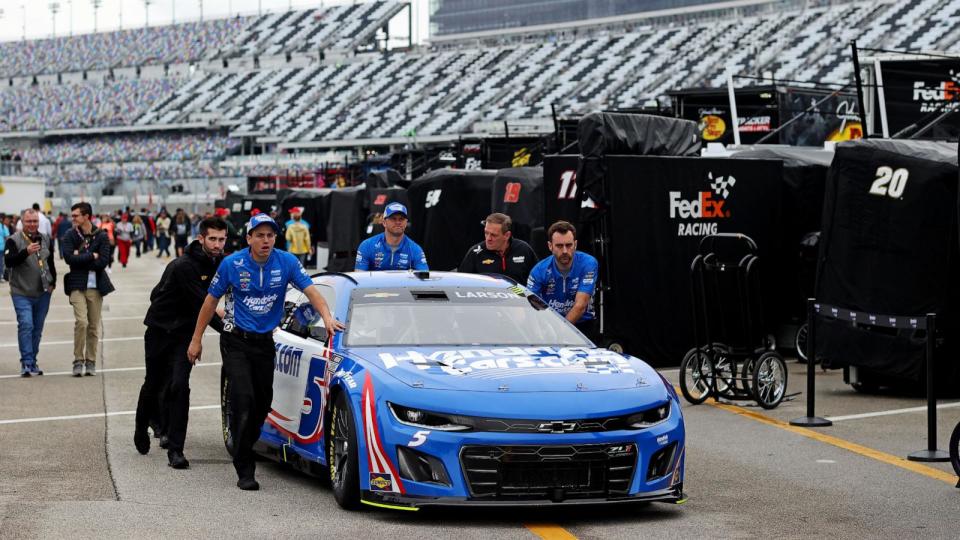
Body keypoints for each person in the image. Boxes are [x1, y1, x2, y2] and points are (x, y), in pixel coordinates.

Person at [187, 213, 343, 491]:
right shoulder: (231, 264)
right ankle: (244, 466)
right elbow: (210, 303)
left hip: (264, 343)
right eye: (259, 235)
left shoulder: (286, 262)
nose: (266, 240)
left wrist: (327, 317)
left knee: (262, 402)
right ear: (249, 238)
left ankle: (245, 440)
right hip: (235, 340)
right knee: (243, 398)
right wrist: (196, 340)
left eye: (270, 235)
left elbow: (312, 291)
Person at [135, 217, 228, 469]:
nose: (218, 244)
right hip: (159, 329)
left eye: (222, 239)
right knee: (153, 383)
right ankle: (141, 426)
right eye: (213, 239)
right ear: (201, 239)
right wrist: (229, 330)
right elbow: (203, 305)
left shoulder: (222, 262)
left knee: (179, 386)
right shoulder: (184, 265)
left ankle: (176, 449)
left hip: (185, 333)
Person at [62, 202, 115, 377]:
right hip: (77, 284)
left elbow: (103, 261)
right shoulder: (70, 234)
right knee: (81, 322)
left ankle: (90, 360)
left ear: (86, 216)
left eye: (76, 215)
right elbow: (69, 259)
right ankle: (78, 360)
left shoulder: (101, 235)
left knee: (93, 326)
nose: (73, 218)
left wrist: (81, 258)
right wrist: (91, 255)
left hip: (96, 287)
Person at [4, 208, 57, 377]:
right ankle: (26, 362)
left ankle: (33, 360)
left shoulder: (46, 238)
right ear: (22, 222)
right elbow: (9, 261)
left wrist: (53, 283)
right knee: (26, 325)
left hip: (43, 292)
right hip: (21, 291)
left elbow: (50, 262)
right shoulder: (13, 240)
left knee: (37, 329)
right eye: (29, 221)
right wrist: (25, 252)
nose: (32, 224)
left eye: (35, 221)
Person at [526, 221, 599, 341]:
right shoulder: (539, 270)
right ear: (550, 246)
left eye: (569, 245)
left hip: (583, 325)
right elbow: (531, 305)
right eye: (559, 246)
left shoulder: (588, 263)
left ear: (575, 244)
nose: (565, 251)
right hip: (550, 325)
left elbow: (580, 305)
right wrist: (541, 332)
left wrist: (559, 333)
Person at [459, 212, 538, 284]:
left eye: (493, 235)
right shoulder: (475, 252)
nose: (488, 238)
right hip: (486, 298)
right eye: (486, 233)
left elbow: (538, 279)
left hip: (518, 298)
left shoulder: (523, 249)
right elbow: (460, 283)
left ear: (507, 235)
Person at [354, 203, 428, 271]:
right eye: (393, 218)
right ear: (384, 222)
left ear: (406, 223)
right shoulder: (367, 245)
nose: (398, 222)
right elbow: (359, 279)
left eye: (401, 219)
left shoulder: (415, 249)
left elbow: (424, 279)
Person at [0, 213, 9, 282]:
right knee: (2, 262)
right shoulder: (3, 227)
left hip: (1, 247)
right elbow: (7, 237)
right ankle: (1, 276)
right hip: (2, 247)